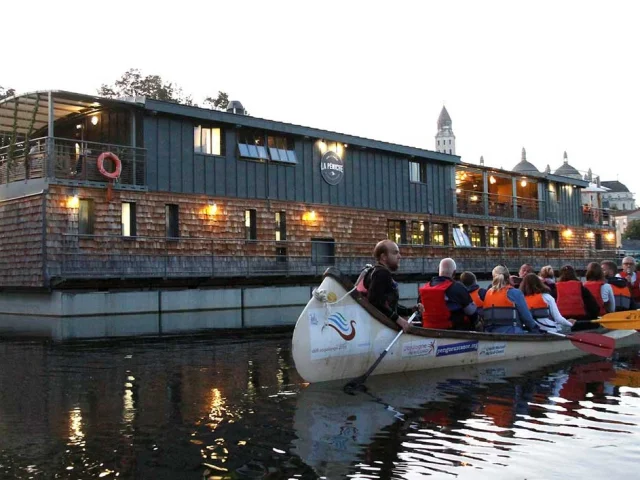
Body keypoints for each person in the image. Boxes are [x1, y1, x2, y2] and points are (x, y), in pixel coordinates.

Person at [365, 240, 423, 332]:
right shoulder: (382, 273)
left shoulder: (374, 271)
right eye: (395, 253)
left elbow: (389, 305)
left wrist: (410, 310)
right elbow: (375, 302)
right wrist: (399, 320)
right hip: (382, 330)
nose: (399, 256)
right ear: (383, 257)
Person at [419, 259, 478, 330]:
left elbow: (420, 312)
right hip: (453, 332)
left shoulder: (424, 289)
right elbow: (472, 313)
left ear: (438, 270)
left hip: (428, 330)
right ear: (454, 273)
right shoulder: (458, 288)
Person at [483, 265, 540, 334]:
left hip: (490, 333)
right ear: (508, 277)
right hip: (512, 333)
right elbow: (526, 317)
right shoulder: (515, 293)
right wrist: (535, 328)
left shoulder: (488, 293)